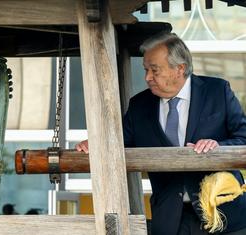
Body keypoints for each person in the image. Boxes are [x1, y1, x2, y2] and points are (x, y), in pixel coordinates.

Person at [76, 32, 246, 235]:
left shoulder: (217, 91)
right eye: (146, 70)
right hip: (169, 220)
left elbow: (243, 137)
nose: (147, 77)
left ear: (179, 69)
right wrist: (95, 144)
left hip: (225, 216)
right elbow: (118, 143)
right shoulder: (139, 105)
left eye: (154, 70)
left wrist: (218, 148)